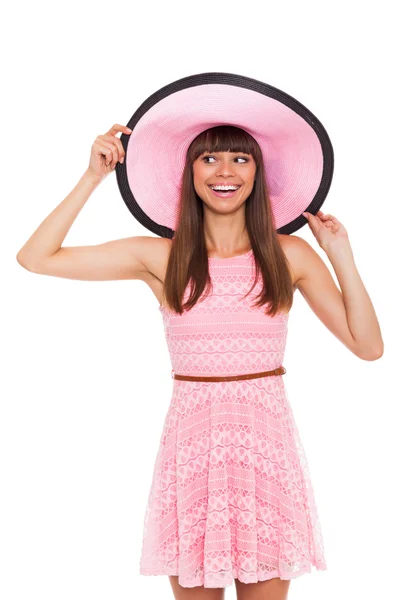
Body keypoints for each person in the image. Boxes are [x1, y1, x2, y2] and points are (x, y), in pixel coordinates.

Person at [16, 122, 384, 600]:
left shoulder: (288, 254)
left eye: (240, 158)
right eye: (208, 159)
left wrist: (340, 256)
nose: (224, 171)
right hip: (193, 457)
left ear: (258, 173)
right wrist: (92, 177)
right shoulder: (162, 257)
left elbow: (368, 346)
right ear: (189, 174)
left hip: (264, 457)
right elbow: (35, 257)